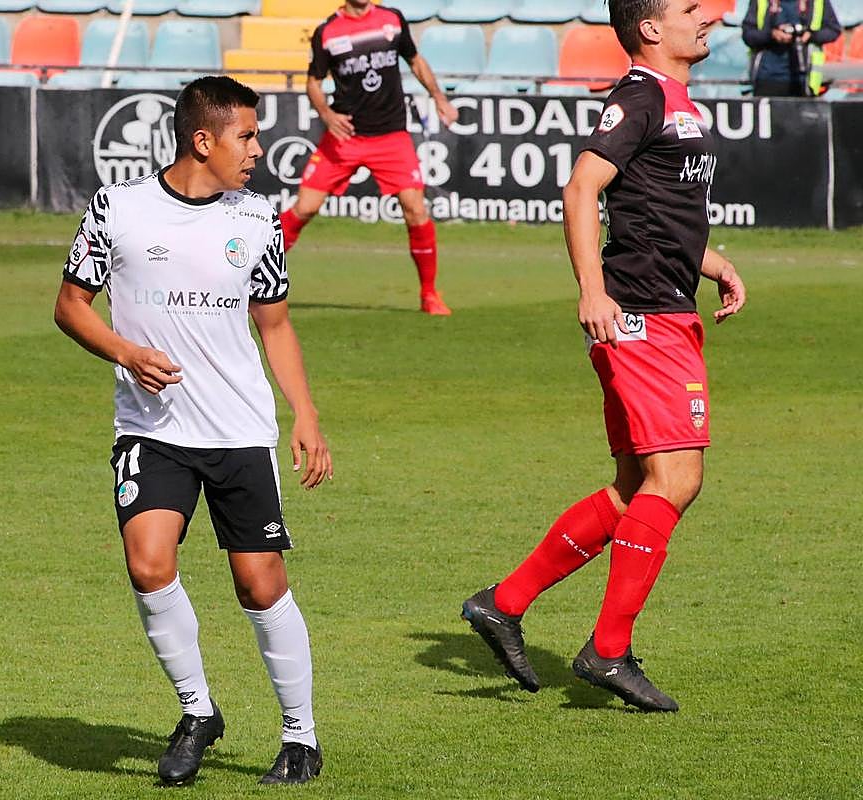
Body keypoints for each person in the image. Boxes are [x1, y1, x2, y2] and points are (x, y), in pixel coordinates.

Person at [460, 0, 747, 713]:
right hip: (642, 314)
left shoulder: (674, 100)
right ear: (651, 28)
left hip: (663, 303)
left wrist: (711, 261)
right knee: (677, 477)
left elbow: (651, 208)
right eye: (689, 9)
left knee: (633, 489)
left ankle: (504, 602)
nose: (704, 18)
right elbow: (584, 187)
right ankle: (608, 650)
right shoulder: (640, 96)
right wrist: (593, 290)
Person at [54, 76, 332, 786]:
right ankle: (197, 711)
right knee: (148, 563)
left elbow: (275, 323)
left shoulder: (257, 218)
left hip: (239, 430)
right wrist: (126, 353)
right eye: (246, 135)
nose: (258, 149)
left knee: (259, 584)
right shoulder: (119, 208)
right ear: (201, 139)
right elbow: (70, 306)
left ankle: (300, 737)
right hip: (151, 429)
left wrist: (305, 414)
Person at [278, 0, 459, 316]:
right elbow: (313, 82)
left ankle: (429, 294)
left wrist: (439, 98)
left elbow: (415, 61)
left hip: (391, 136)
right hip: (345, 136)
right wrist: (326, 114)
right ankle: (252, 279)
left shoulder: (391, 19)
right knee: (304, 207)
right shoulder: (327, 31)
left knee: (415, 209)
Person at [742, 0, 841, 97]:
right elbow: (748, 35)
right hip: (768, 77)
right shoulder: (761, 2)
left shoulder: (817, 2)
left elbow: (833, 30)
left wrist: (810, 35)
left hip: (804, 78)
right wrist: (772, 35)